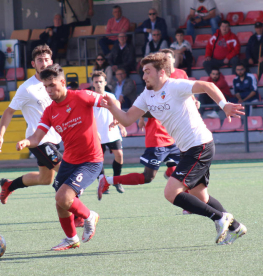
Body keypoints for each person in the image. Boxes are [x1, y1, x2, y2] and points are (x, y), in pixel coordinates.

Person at [101, 52, 247, 245]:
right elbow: (127, 119)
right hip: (188, 149)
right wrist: (112, 107)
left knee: (171, 192)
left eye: (147, 71)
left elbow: (208, 85)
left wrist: (224, 104)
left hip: (200, 145)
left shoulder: (175, 85)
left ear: (161, 72)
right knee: (201, 196)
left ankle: (220, 218)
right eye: (142, 72)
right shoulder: (146, 95)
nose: (143, 76)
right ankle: (235, 227)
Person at [16, 64, 103, 251]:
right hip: (70, 161)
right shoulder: (50, 111)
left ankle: (90, 216)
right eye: (46, 86)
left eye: (52, 85)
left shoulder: (80, 96)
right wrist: (26, 141)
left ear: (62, 82)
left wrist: (118, 117)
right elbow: (37, 137)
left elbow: (108, 102)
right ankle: (71, 239)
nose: (49, 90)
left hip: (91, 160)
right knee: (59, 201)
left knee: (64, 197)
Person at [98, 49, 185, 208]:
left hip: (175, 136)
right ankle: (108, 180)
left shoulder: (180, 77)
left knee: (186, 171)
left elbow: (195, 92)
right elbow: (137, 111)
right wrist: (136, 117)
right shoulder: (150, 89)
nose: (144, 76)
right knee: (147, 177)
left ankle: (189, 204)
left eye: (170, 58)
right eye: (144, 72)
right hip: (158, 137)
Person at [0, 45, 62, 205]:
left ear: (51, 61)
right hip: (37, 140)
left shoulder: (55, 83)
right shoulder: (26, 88)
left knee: (45, 179)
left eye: (46, 60)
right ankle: (76, 213)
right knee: (66, 171)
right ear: (33, 64)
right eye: (40, 60)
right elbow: (8, 112)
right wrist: (0, 135)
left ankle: (9, 185)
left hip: (54, 138)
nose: (44, 63)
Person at [92, 71, 127, 194]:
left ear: (105, 82)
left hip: (112, 132)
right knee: (98, 159)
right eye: (96, 82)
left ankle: (116, 180)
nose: (99, 84)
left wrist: (121, 126)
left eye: (101, 81)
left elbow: (117, 112)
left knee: (119, 155)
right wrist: (93, 131)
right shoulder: (90, 97)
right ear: (93, 83)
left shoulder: (111, 96)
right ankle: (103, 184)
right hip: (97, 134)